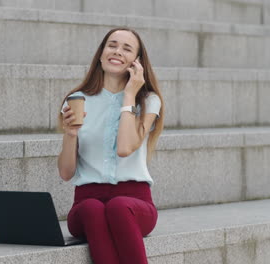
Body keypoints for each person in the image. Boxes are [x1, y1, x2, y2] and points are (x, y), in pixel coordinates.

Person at [57, 27, 164, 264]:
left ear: (137, 62)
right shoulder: (77, 99)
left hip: (134, 204)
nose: (117, 51)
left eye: (127, 48)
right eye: (112, 45)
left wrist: (129, 96)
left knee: (118, 206)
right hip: (86, 203)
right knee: (93, 209)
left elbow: (125, 147)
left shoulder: (148, 101)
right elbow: (66, 173)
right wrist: (70, 134)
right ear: (101, 52)